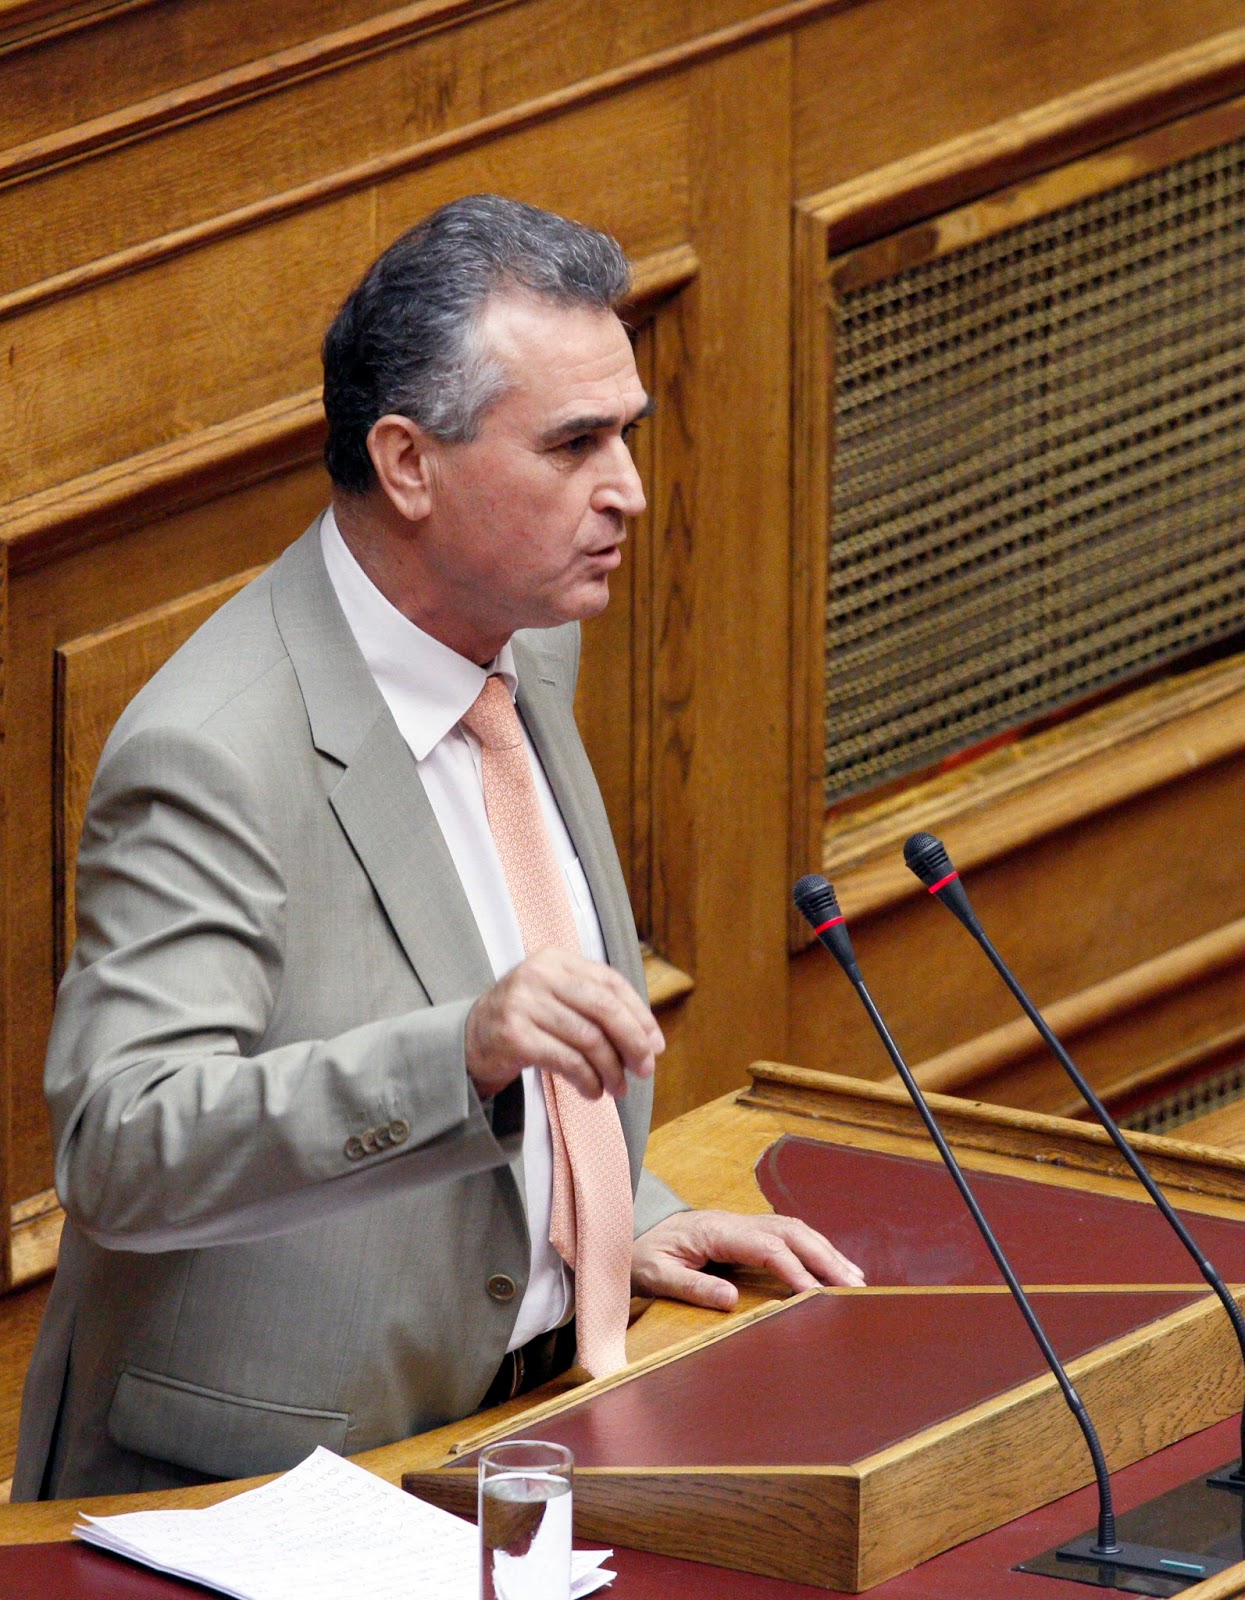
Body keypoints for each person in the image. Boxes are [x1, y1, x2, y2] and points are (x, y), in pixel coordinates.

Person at [13, 196, 862, 1500]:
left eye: (626, 435)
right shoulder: (211, 754)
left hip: (518, 1438)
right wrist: (457, 1052)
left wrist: (618, 1218)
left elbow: (493, 948)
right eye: (572, 445)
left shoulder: (526, 635)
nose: (629, 491)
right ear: (407, 464)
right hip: (260, 1489)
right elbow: (122, 1150)